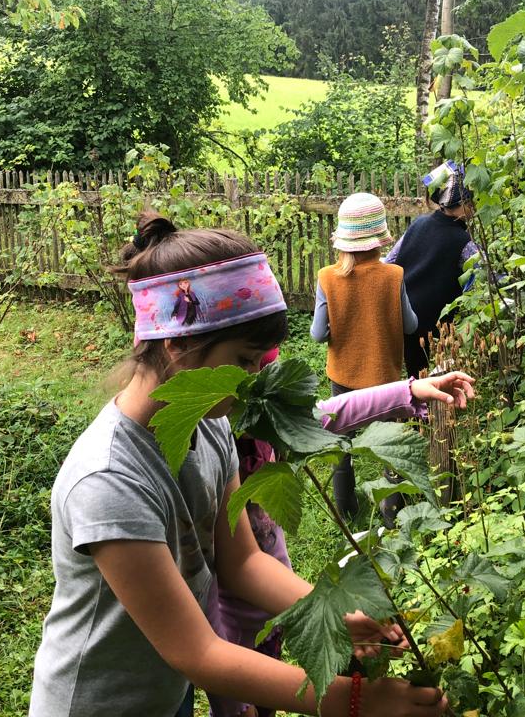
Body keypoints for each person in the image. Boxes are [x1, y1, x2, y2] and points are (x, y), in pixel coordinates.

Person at [29, 211, 462, 717]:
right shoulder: (109, 481)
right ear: (179, 345)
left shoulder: (210, 423)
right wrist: (359, 701)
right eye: (244, 361)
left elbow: (243, 564)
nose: (255, 379)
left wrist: (335, 611)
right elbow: (197, 652)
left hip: (166, 690)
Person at [207, 349, 476, 717]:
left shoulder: (272, 429)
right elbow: (210, 625)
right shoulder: (215, 464)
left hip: (281, 601)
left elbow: (334, 413)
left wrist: (409, 391)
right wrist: (234, 706)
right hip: (233, 635)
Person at [311, 192, 418, 522]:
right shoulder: (393, 275)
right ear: (379, 238)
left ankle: (345, 509)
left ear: (343, 239)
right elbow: (411, 326)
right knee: (391, 447)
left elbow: (317, 334)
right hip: (385, 378)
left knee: (340, 444)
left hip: (343, 375)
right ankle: (392, 513)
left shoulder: (327, 277)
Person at [384, 163, 481, 378]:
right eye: (470, 202)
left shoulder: (418, 224)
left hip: (405, 315)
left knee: (415, 374)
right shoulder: (463, 241)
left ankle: (412, 399)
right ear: (460, 203)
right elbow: (486, 274)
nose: (474, 207)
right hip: (436, 326)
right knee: (436, 376)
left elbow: (390, 261)